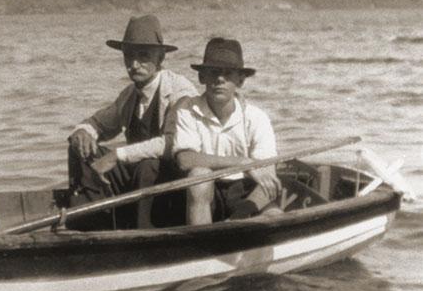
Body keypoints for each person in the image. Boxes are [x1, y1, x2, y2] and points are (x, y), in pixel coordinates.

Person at [66, 14, 197, 230]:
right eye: (128, 56)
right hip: (137, 178)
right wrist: (83, 131)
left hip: (172, 183)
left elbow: (172, 143)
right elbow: (98, 123)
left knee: (148, 165)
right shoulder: (129, 95)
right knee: (78, 146)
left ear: (161, 57)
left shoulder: (180, 91)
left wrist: (118, 156)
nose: (134, 65)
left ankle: (144, 234)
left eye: (143, 56)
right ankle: (89, 224)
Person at [173, 37, 280, 225]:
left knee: (276, 217)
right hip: (204, 196)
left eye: (228, 73)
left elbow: (268, 180)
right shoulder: (186, 110)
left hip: (245, 194)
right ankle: (202, 245)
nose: (220, 79)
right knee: (198, 176)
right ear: (202, 77)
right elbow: (185, 160)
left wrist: (241, 215)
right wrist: (244, 163)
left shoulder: (257, 118)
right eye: (213, 72)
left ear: (240, 80)